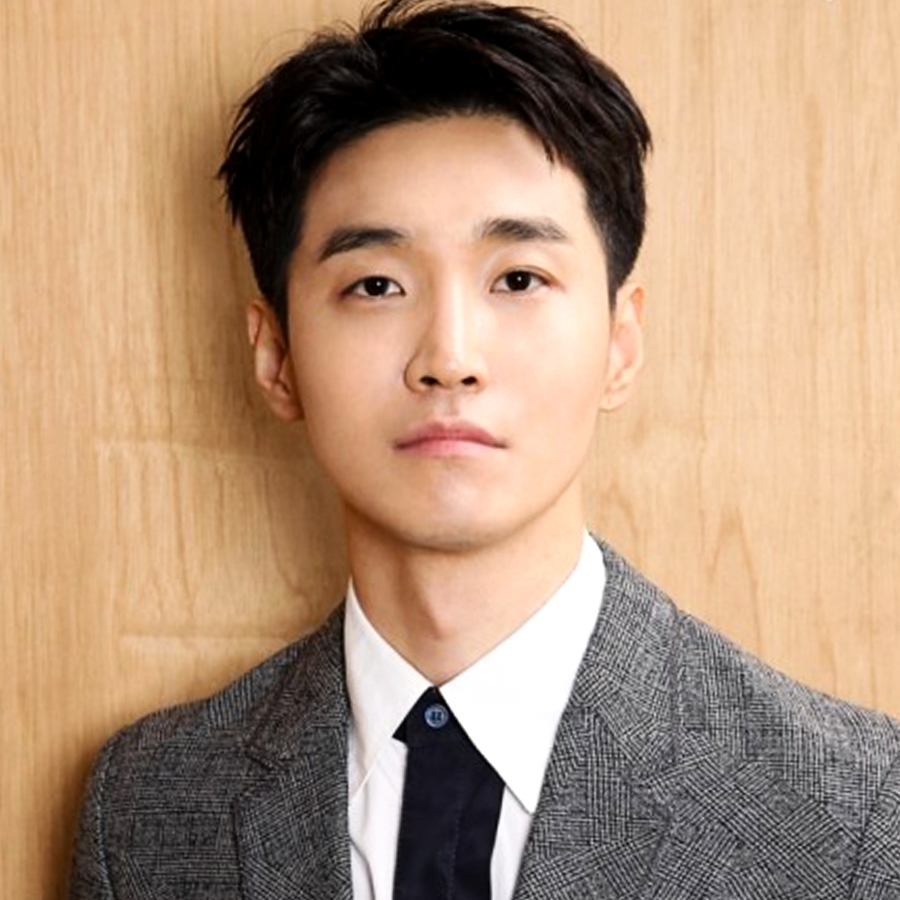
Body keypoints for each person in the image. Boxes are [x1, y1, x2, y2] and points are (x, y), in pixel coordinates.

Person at [69, 0, 900, 897]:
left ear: (620, 344)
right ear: (276, 357)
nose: (450, 357)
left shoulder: (853, 814)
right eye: (376, 284)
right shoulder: (147, 811)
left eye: (519, 278)